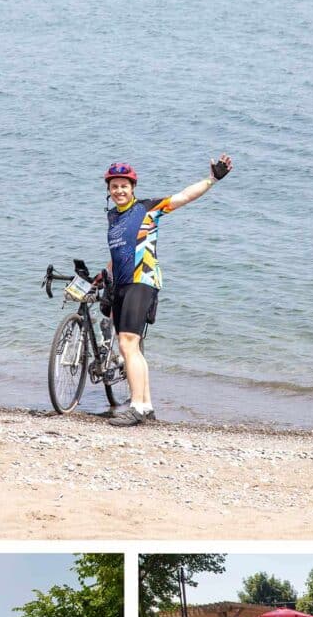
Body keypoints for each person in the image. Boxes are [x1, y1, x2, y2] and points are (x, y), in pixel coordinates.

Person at [100, 154, 233, 426]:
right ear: (109, 191)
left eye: (124, 185)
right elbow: (117, 251)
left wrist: (212, 179)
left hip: (143, 280)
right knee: (130, 347)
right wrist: (104, 275)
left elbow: (183, 196)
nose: (119, 190)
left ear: (132, 187)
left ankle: (135, 407)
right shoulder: (113, 217)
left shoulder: (148, 208)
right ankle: (146, 406)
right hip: (122, 284)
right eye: (114, 186)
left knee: (128, 342)